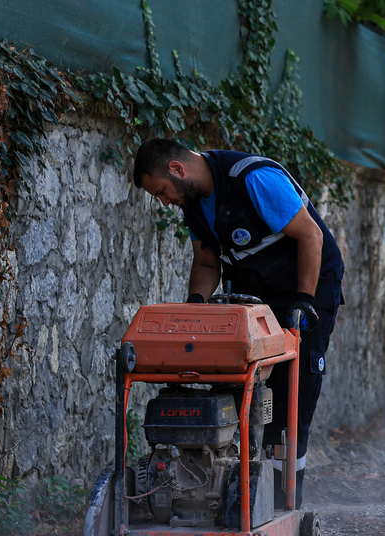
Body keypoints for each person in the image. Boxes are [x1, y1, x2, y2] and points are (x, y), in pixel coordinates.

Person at [132, 138, 344, 509]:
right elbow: (207, 261)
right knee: (231, 384)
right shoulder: (195, 204)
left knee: (291, 393)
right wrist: (195, 310)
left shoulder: (253, 179)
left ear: (177, 170)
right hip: (254, 294)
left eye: (162, 191)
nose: (164, 202)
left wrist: (305, 301)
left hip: (305, 287)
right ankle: (230, 488)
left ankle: (284, 505)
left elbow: (310, 235)